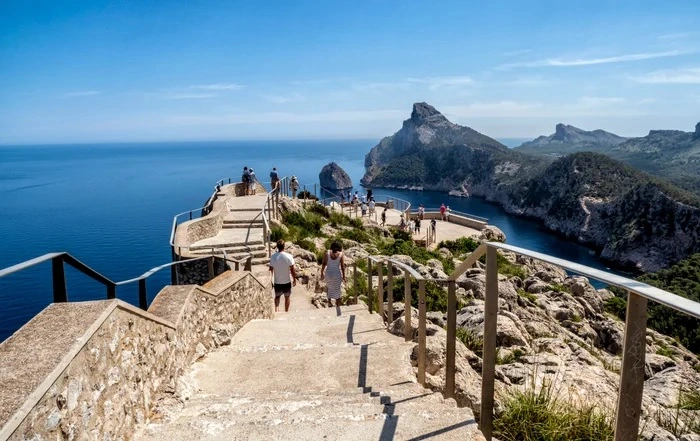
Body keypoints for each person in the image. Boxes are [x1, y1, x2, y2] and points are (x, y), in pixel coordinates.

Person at [269, 240, 297, 312]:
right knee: (287, 297)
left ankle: (277, 310)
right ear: (284, 246)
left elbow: (270, 270)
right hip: (287, 281)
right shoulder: (289, 256)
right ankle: (286, 312)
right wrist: (294, 279)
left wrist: (270, 281)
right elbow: (292, 270)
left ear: (277, 247)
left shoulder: (273, 257)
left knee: (277, 296)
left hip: (277, 281)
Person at [321, 240, 346, 307]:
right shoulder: (341, 254)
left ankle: (329, 302)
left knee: (329, 287)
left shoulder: (327, 253)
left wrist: (321, 273)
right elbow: (342, 266)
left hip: (328, 273)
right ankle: (338, 306)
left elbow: (324, 264)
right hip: (336, 274)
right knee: (337, 289)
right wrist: (344, 276)